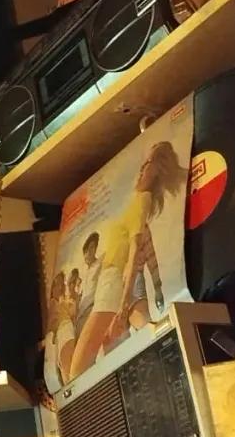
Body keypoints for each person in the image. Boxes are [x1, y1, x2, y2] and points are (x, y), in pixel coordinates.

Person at [67, 141, 187, 382]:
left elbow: (135, 252)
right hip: (110, 281)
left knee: (76, 373)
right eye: (143, 162)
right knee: (120, 348)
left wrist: (122, 308)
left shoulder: (142, 200)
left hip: (113, 281)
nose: (142, 167)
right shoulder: (136, 201)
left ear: (158, 169)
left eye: (149, 162)